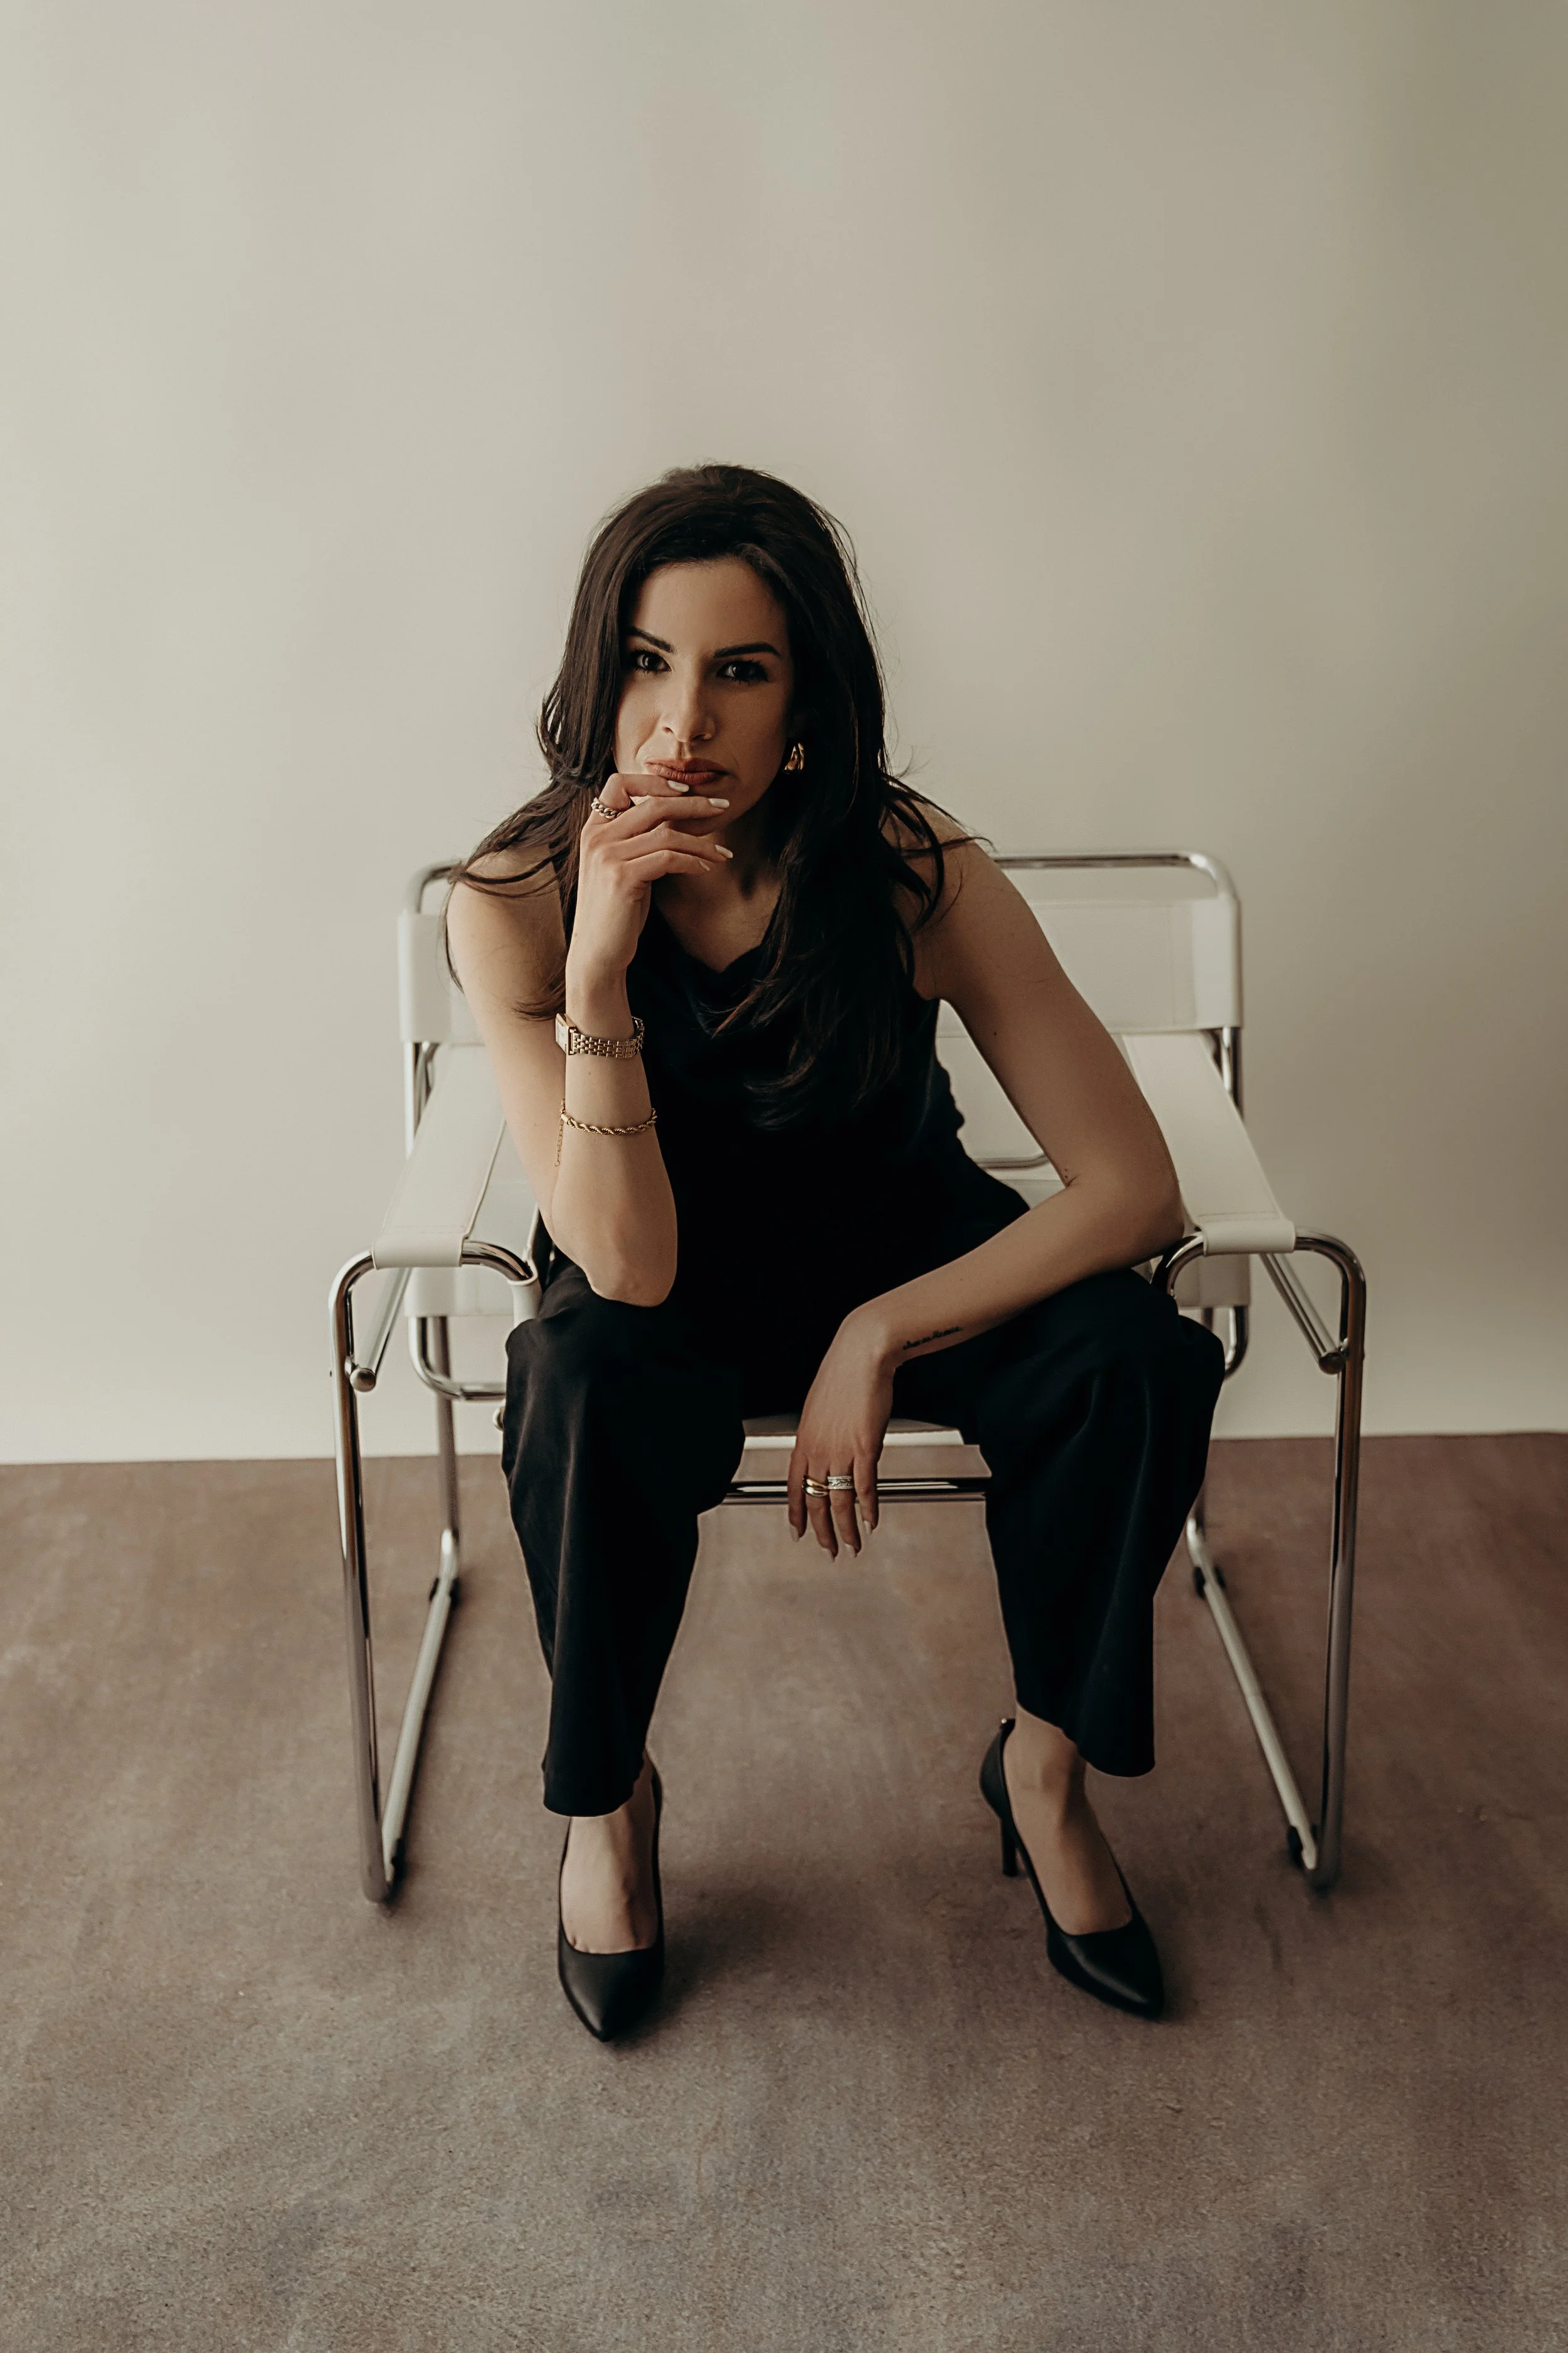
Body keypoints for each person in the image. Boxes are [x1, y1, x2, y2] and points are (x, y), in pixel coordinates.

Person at [446, 464, 1224, 2041]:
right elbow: (627, 1268)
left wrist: (876, 1333)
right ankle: (609, 1808)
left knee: (1134, 1362)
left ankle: (1042, 1773)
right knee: (574, 1377)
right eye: (649, 664)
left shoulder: (907, 866)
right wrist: (597, 980)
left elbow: (1133, 1188)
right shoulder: (517, 901)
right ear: (598, 676)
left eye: (739, 670)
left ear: (805, 699)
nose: (684, 724)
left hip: (901, 1249)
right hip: (662, 1282)